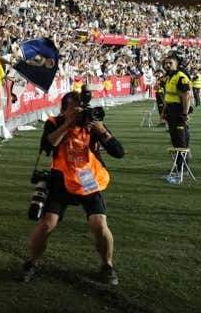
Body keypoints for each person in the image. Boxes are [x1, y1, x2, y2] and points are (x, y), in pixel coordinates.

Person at [20, 90, 125, 287]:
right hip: (61, 179)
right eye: (72, 108)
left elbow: (118, 152)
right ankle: (32, 262)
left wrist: (101, 130)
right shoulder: (54, 122)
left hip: (89, 179)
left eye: (80, 108)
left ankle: (107, 265)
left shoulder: (91, 124)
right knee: (46, 224)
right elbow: (46, 147)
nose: (77, 112)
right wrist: (68, 124)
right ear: (63, 109)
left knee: (99, 224)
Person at [160, 53, 192, 183]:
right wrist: (163, 112)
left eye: (170, 63)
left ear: (177, 64)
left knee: (181, 140)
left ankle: (183, 169)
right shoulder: (169, 77)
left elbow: (186, 97)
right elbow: (168, 97)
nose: (167, 65)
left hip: (178, 112)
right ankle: (178, 167)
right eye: (166, 63)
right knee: (174, 140)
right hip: (170, 112)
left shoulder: (181, 77)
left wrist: (185, 114)